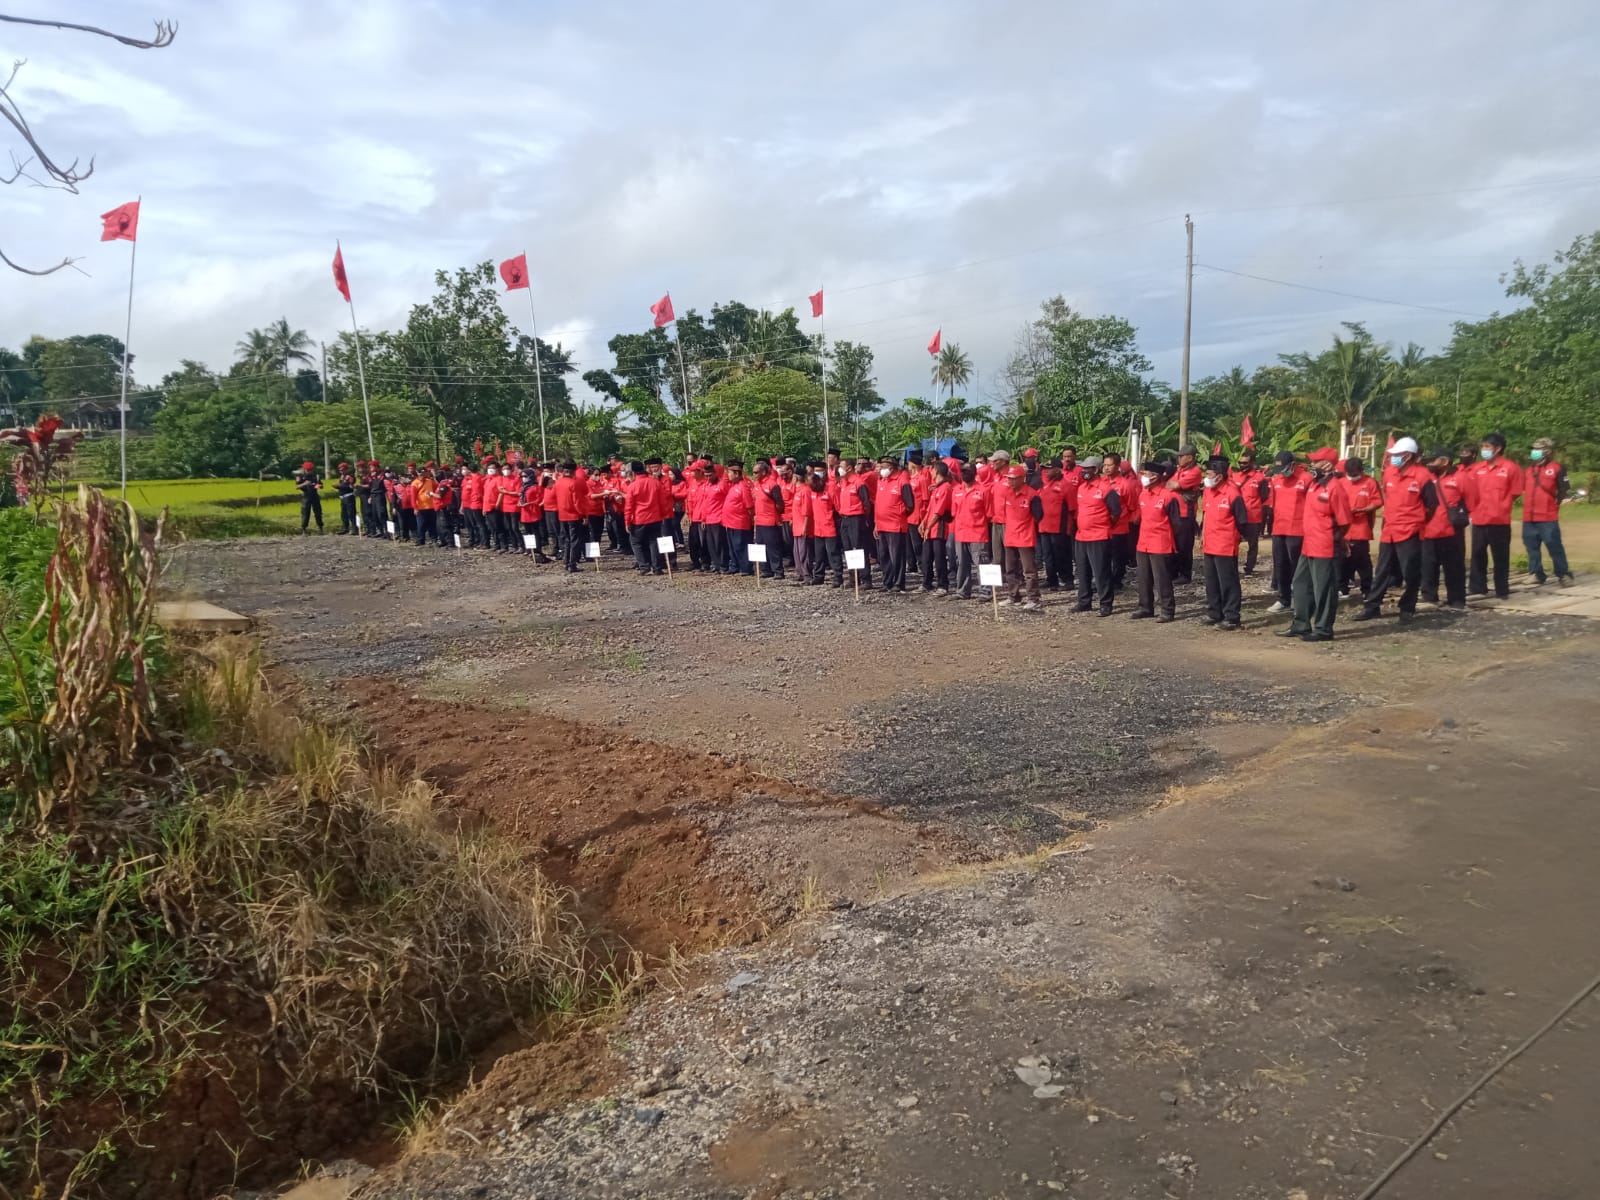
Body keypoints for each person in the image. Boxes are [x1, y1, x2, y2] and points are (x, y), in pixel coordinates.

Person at [1355, 437, 1438, 623]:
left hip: (1410, 531)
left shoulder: (1423, 477)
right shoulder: (1390, 473)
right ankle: (1372, 606)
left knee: (1410, 571)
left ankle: (1407, 607)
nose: (1392, 459)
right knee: (1382, 570)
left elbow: (1432, 506)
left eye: (1396, 455)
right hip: (1389, 530)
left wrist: (1418, 522)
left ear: (1407, 456)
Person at [1279, 448, 1351, 642]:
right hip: (1308, 544)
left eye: (1317, 462)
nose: (1313, 465)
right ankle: (1301, 624)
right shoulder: (1314, 484)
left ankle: (1323, 629)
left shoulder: (1335, 488)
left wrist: (1336, 540)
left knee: (1324, 589)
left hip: (1325, 546)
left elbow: (1344, 522)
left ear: (1327, 465)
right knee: (1301, 583)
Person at [1464, 431, 1521, 599]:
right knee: (1477, 554)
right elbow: (1470, 491)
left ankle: (1501, 589)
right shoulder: (1477, 469)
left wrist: (1500, 505)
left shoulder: (1511, 468)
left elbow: (1515, 492)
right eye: (1483, 446)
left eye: (1487, 447)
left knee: (1500, 557)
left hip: (1499, 520)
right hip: (1479, 518)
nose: (1484, 450)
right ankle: (1477, 587)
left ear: (1498, 449)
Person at [1199, 456, 1249, 630]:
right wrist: (1203, 534)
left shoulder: (1233, 493)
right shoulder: (1208, 491)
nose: (1206, 477)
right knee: (1211, 580)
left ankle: (1232, 616)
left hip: (1225, 544)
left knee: (1228, 581)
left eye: (1209, 473)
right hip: (1210, 543)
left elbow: (1242, 520)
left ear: (1219, 476)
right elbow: (1205, 514)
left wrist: (1237, 538)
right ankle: (1214, 612)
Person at [1132, 460, 1180, 622]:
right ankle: (1145, 607)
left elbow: (1177, 523)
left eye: (1146, 474)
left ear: (1155, 477)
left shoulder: (1168, 497)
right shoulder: (1143, 494)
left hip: (1161, 543)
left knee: (1162, 579)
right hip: (1144, 541)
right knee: (1144, 577)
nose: (1143, 477)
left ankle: (1167, 610)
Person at [1073, 455, 1121, 616]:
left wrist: (1104, 526)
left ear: (1096, 470)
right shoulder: (1081, 488)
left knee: (1101, 572)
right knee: (1083, 572)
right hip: (1081, 537)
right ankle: (1084, 601)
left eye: (1088, 469)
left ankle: (1105, 604)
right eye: (1083, 469)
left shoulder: (1106, 489)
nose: (1084, 471)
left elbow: (1116, 512)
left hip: (1099, 536)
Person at [1420, 447, 1468, 609]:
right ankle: (1429, 596)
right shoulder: (1426, 478)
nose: (1430, 464)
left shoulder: (1460, 477)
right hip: (1428, 529)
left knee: (1454, 566)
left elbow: (1472, 500)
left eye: (1434, 460)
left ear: (1445, 461)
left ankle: (1456, 599)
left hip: (1451, 530)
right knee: (1428, 565)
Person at [1522, 437, 1573, 586]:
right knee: (1531, 546)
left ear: (1547, 451)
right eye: (1534, 449)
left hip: (1547, 515)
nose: (1534, 452)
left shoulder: (1557, 468)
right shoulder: (1530, 469)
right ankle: (1536, 573)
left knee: (1554, 544)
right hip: (1529, 516)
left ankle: (1563, 573)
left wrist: (1555, 504)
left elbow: (1563, 489)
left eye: (1538, 449)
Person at [1266, 450, 1312, 612]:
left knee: (1297, 567)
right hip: (1279, 528)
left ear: (1292, 465)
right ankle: (1283, 599)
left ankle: (1300, 599)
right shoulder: (1277, 479)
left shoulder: (1306, 479)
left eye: (1284, 468)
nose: (1282, 473)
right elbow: (1272, 503)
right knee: (1280, 565)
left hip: (1298, 530)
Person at [997, 464, 1044, 610]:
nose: (1010, 481)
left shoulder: (1032, 495)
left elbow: (1039, 516)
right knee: (1010, 568)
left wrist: (1028, 526)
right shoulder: (1007, 493)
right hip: (1010, 536)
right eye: (1008, 478)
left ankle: (1033, 598)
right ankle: (1013, 596)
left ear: (1022, 479)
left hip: (1025, 536)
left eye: (1013, 479)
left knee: (1028, 570)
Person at [1338, 457, 1381, 597]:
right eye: (1350, 474)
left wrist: (1362, 510)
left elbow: (1378, 502)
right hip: (1343, 528)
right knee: (1343, 560)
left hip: (1361, 528)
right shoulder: (1341, 483)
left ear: (1361, 471)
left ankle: (1367, 589)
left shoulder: (1370, 482)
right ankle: (1342, 587)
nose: (1352, 477)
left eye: (1355, 474)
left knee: (1362, 560)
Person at [873, 454, 914, 592]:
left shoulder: (902, 482)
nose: (881, 470)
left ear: (892, 468)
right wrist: (876, 524)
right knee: (884, 556)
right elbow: (878, 504)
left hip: (896, 525)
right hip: (882, 524)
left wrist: (899, 514)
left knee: (896, 556)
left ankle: (898, 582)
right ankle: (887, 582)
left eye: (884, 467)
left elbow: (910, 505)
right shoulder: (881, 481)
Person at [951, 463, 991, 600]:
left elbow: (989, 513)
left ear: (974, 473)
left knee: (982, 563)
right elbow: (954, 512)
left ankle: (986, 592)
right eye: (962, 471)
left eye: (967, 471)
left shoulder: (983, 490)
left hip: (978, 533)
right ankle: (962, 591)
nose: (964, 474)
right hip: (961, 532)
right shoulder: (956, 490)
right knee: (962, 563)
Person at [835, 457, 873, 588]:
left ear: (849, 468)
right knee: (848, 549)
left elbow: (866, 504)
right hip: (845, 518)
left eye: (841, 466)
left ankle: (866, 579)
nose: (839, 468)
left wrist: (863, 519)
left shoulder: (859, 483)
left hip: (856, 519)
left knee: (859, 548)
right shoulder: (843, 482)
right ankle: (853, 578)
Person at [918, 459, 954, 594]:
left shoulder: (946, 488)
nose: (930, 472)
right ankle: (927, 582)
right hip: (930, 527)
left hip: (938, 527)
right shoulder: (936, 488)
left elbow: (939, 511)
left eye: (932, 470)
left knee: (939, 557)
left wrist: (929, 526)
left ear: (937, 471)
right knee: (926, 556)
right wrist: (923, 523)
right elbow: (930, 509)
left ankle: (943, 585)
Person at [1169, 444, 1202, 584]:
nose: (1179, 458)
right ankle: (1174, 572)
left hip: (1185, 513)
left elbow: (1174, 485)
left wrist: (1173, 485)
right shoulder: (1180, 470)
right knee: (1175, 544)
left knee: (1184, 545)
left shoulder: (1194, 471)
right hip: (1176, 513)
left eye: (1181, 456)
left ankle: (1185, 574)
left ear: (1190, 458)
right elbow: (1168, 484)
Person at [1036, 467, 1073, 591]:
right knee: (1048, 556)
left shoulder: (1066, 485)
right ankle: (1052, 580)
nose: (1047, 472)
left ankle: (1067, 580)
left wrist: (1069, 528)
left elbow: (1072, 508)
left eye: (1050, 469)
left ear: (1058, 471)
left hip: (1059, 528)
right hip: (1044, 526)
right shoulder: (1044, 485)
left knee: (1061, 555)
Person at [807, 466, 845, 587]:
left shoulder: (830, 490)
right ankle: (818, 576)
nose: (810, 487)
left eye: (812, 485)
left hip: (830, 528)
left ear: (818, 482)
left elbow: (839, 508)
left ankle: (838, 577)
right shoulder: (813, 492)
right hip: (818, 528)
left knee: (833, 553)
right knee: (819, 555)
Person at [1233, 448, 1268, 575]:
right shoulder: (1235, 477)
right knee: (1233, 541)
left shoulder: (1260, 478)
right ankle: (1232, 565)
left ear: (1252, 463)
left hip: (1253, 516)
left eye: (1245, 463)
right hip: (1237, 516)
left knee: (1252, 544)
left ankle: (1249, 567)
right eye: (1240, 463)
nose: (1242, 465)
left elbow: (1264, 496)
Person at [625, 461, 662, 574]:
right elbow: (663, 501)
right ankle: (657, 567)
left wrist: (627, 522)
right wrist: (664, 515)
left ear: (632, 472)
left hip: (639, 519)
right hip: (655, 517)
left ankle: (644, 566)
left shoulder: (632, 486)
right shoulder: (655, 482)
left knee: (636, 543)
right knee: (654, 542)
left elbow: (628, 506)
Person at [752, 460, 786, 579]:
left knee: (773, 547)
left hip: (770, 521)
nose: (754, 475)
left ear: (764, 472)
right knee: (761, 546)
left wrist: (776, 515)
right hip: (760, 521)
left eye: (756, 472)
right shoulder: (756, 485)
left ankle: (778, 571)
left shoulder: (772, 484)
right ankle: (765, 570)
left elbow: (779, 503)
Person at [721, 460, 756, 575]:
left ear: (737, 474)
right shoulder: (733, 486)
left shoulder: (743, 486)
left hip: (740, 522)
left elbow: (750, 506)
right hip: (729, 522)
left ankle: (746, 567)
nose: (728, 475)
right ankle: (735, 565)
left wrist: (751, 518)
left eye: (730, 473)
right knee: (732, 546)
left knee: (741, 545)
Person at [552, 462, 585, 571]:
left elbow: (553, 496)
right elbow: (577, 502)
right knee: (575, 540)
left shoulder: (558, 483)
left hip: (562, 515)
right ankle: (572, 564)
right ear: (573, 471)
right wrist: (583, 515)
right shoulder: (573, 483)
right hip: (573, 515)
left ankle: (566, 561)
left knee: (567, 539)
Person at [294, 461, 324, 533]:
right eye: (308, 470)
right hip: (306, 496)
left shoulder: (316, 476)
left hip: (315, 495)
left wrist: (318, 486)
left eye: (310, 470)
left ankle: (320, 528)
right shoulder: (300, 477)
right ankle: (304, 528)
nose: (309, 471)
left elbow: (321, 485)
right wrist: (305, 483)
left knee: (318, 512)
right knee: (305, 512)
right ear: (304, 470)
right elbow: (297, 487)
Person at [334, 463, 358, 535]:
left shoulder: (350, 476)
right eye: (340, 470)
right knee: (343, 514)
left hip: (349, 496)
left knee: (351, 513)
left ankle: (354, 528)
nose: (341, 471)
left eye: (343, 470)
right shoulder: (342, 477)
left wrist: (339, 486)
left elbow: (349, 486)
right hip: (343, 497)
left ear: (346, 469)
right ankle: (345, 527)